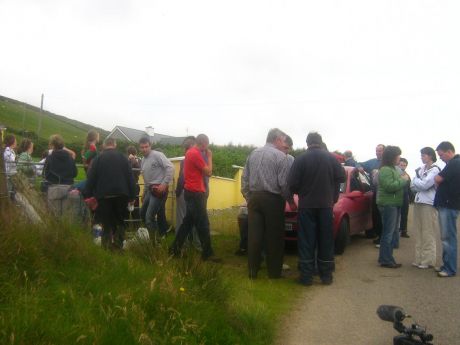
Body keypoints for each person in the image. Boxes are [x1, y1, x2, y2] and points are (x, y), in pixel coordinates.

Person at [288, 132, 345, 285]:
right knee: (326, 240)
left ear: (307, 143)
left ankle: (306, 277)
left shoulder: (300, 159)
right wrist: (333, 195)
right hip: (326, 206)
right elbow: (342, 177)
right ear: (320, 142)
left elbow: (292, 184)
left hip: (307, 206)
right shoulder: (331, 158)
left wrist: (302, 191)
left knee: (306, 241)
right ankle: (326, 276)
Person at [241, 128, 295, 279]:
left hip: (254, 198)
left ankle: (253, 271)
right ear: (277, 140)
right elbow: (283, 184)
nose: (284, 143)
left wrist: (248, 197)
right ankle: (274, 273)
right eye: (284, 140)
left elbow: (244, 177)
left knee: (254, 236)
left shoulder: (253, 153)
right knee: (275, 237)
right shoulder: (281, 157)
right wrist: (290, 201)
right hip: (273, 199)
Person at [170, 134, 216, 261]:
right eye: (206, 147)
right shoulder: (195, 153)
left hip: (191, 192)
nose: (206, 150)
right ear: (203, 144)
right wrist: (209, 157)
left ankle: (174, 249)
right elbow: (209, 172)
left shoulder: (190, 153)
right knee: (203, 224)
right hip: (196, 193)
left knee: (187, 223)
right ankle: (207, 253)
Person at [84, 138, 136, 250]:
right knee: (120, 221)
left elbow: (91, 178)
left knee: (106, 222)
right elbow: (130, 178)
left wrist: (88, 195)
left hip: (104, 196)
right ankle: (118, 246)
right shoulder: (123, 158)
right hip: (121, 195)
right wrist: (132, 196)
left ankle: (106, 247)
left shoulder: (98, 158)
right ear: (115, 144)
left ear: (104, 145)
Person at [376, 146, 409, 269]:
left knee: (390, 232)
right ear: (392, 157)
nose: (399, 159)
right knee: (388, 233)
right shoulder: (385, 170)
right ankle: (386, 259)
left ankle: (386, 257)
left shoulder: (391, 169)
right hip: (388, 204)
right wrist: (403, 180)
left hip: (393, 204)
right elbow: (389, 187)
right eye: (398, 156)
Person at [139, 136, 174, 239]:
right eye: (142, 147)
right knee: (142, 213)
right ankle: (158, 234)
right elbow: (146, 179)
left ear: (150, 146)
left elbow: (170, 168)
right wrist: (144, 193)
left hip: (159, 191)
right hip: (150, 191)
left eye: (146, 146)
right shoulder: (143, 161)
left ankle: (155, 243)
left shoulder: (158, 155)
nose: (144, 149)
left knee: (149, 217)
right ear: (139, 148)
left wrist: (164, 184)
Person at [410, 147, 440, 269]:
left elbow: (426, 184)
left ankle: (428, 260)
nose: (422, 157)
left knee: (428, 232)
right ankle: (418, 258)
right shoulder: (421, 169)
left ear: (430, 156)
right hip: (418, 202)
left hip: (429, 203)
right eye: (421, 155)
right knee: (418, 231)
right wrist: (418, 182)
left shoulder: (435, 169)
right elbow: (413, 186)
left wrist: (417, 181)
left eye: (424, 155)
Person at [434, 141, 460, 277]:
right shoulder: (454, 163)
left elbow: (437, 178)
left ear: (449, 151)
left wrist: (437, 182)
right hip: (449, 205)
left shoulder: (455, 163)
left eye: (441, 155)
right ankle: (447, 265)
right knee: (447, 237)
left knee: (448, 237)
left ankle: (449, 268)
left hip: (448, 205)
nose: (440, 158)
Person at [358, 144, 385, 244]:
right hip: (374, 192)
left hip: (385, 193)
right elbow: (358, 163)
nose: (378, 153)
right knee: (376, 215)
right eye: (377, 151)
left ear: (384, 152)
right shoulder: (372, 162)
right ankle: (379, 235)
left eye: (380, 151)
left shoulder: (388, 163)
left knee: (383, 216)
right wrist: (359, 167)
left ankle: (383, 237)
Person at [398, 158, 411, 238]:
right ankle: (397, 230)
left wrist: (411, 197)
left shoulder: (407, 175)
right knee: (396, 215)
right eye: (401, 165)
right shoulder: (395, 173)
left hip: (405, 197)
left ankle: (403, 231)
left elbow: (409, 187)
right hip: (397, 196)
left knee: (404, 214)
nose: (402, 167)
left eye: (404, 165)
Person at [3, 134, 17, 199]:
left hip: (12, 174)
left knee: (12, 190)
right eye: (15, 141)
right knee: (8, 191)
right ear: (12, 142)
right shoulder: (7, 151)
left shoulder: (12, 151)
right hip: (8, 174)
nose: (16, 142)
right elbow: (11, 161)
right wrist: (16, 161)